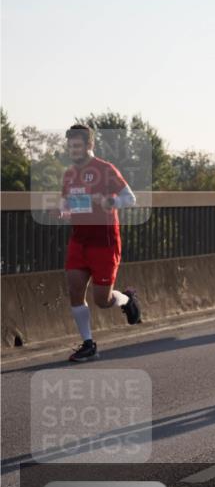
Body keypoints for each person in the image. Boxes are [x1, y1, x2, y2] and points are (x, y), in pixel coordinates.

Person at [61, 124, 142, 362]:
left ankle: (127, 299)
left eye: (77, 146)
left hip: (104, 242)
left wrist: (107, 200)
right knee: (74, 290)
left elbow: (131, 199)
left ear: (89, 145)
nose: (73, 150)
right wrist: (63, 210)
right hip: (79, 241)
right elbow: (68, 203)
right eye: (70, 146)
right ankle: (88, 344)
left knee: (102, 300)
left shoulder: (105, 170)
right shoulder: (69, 174)